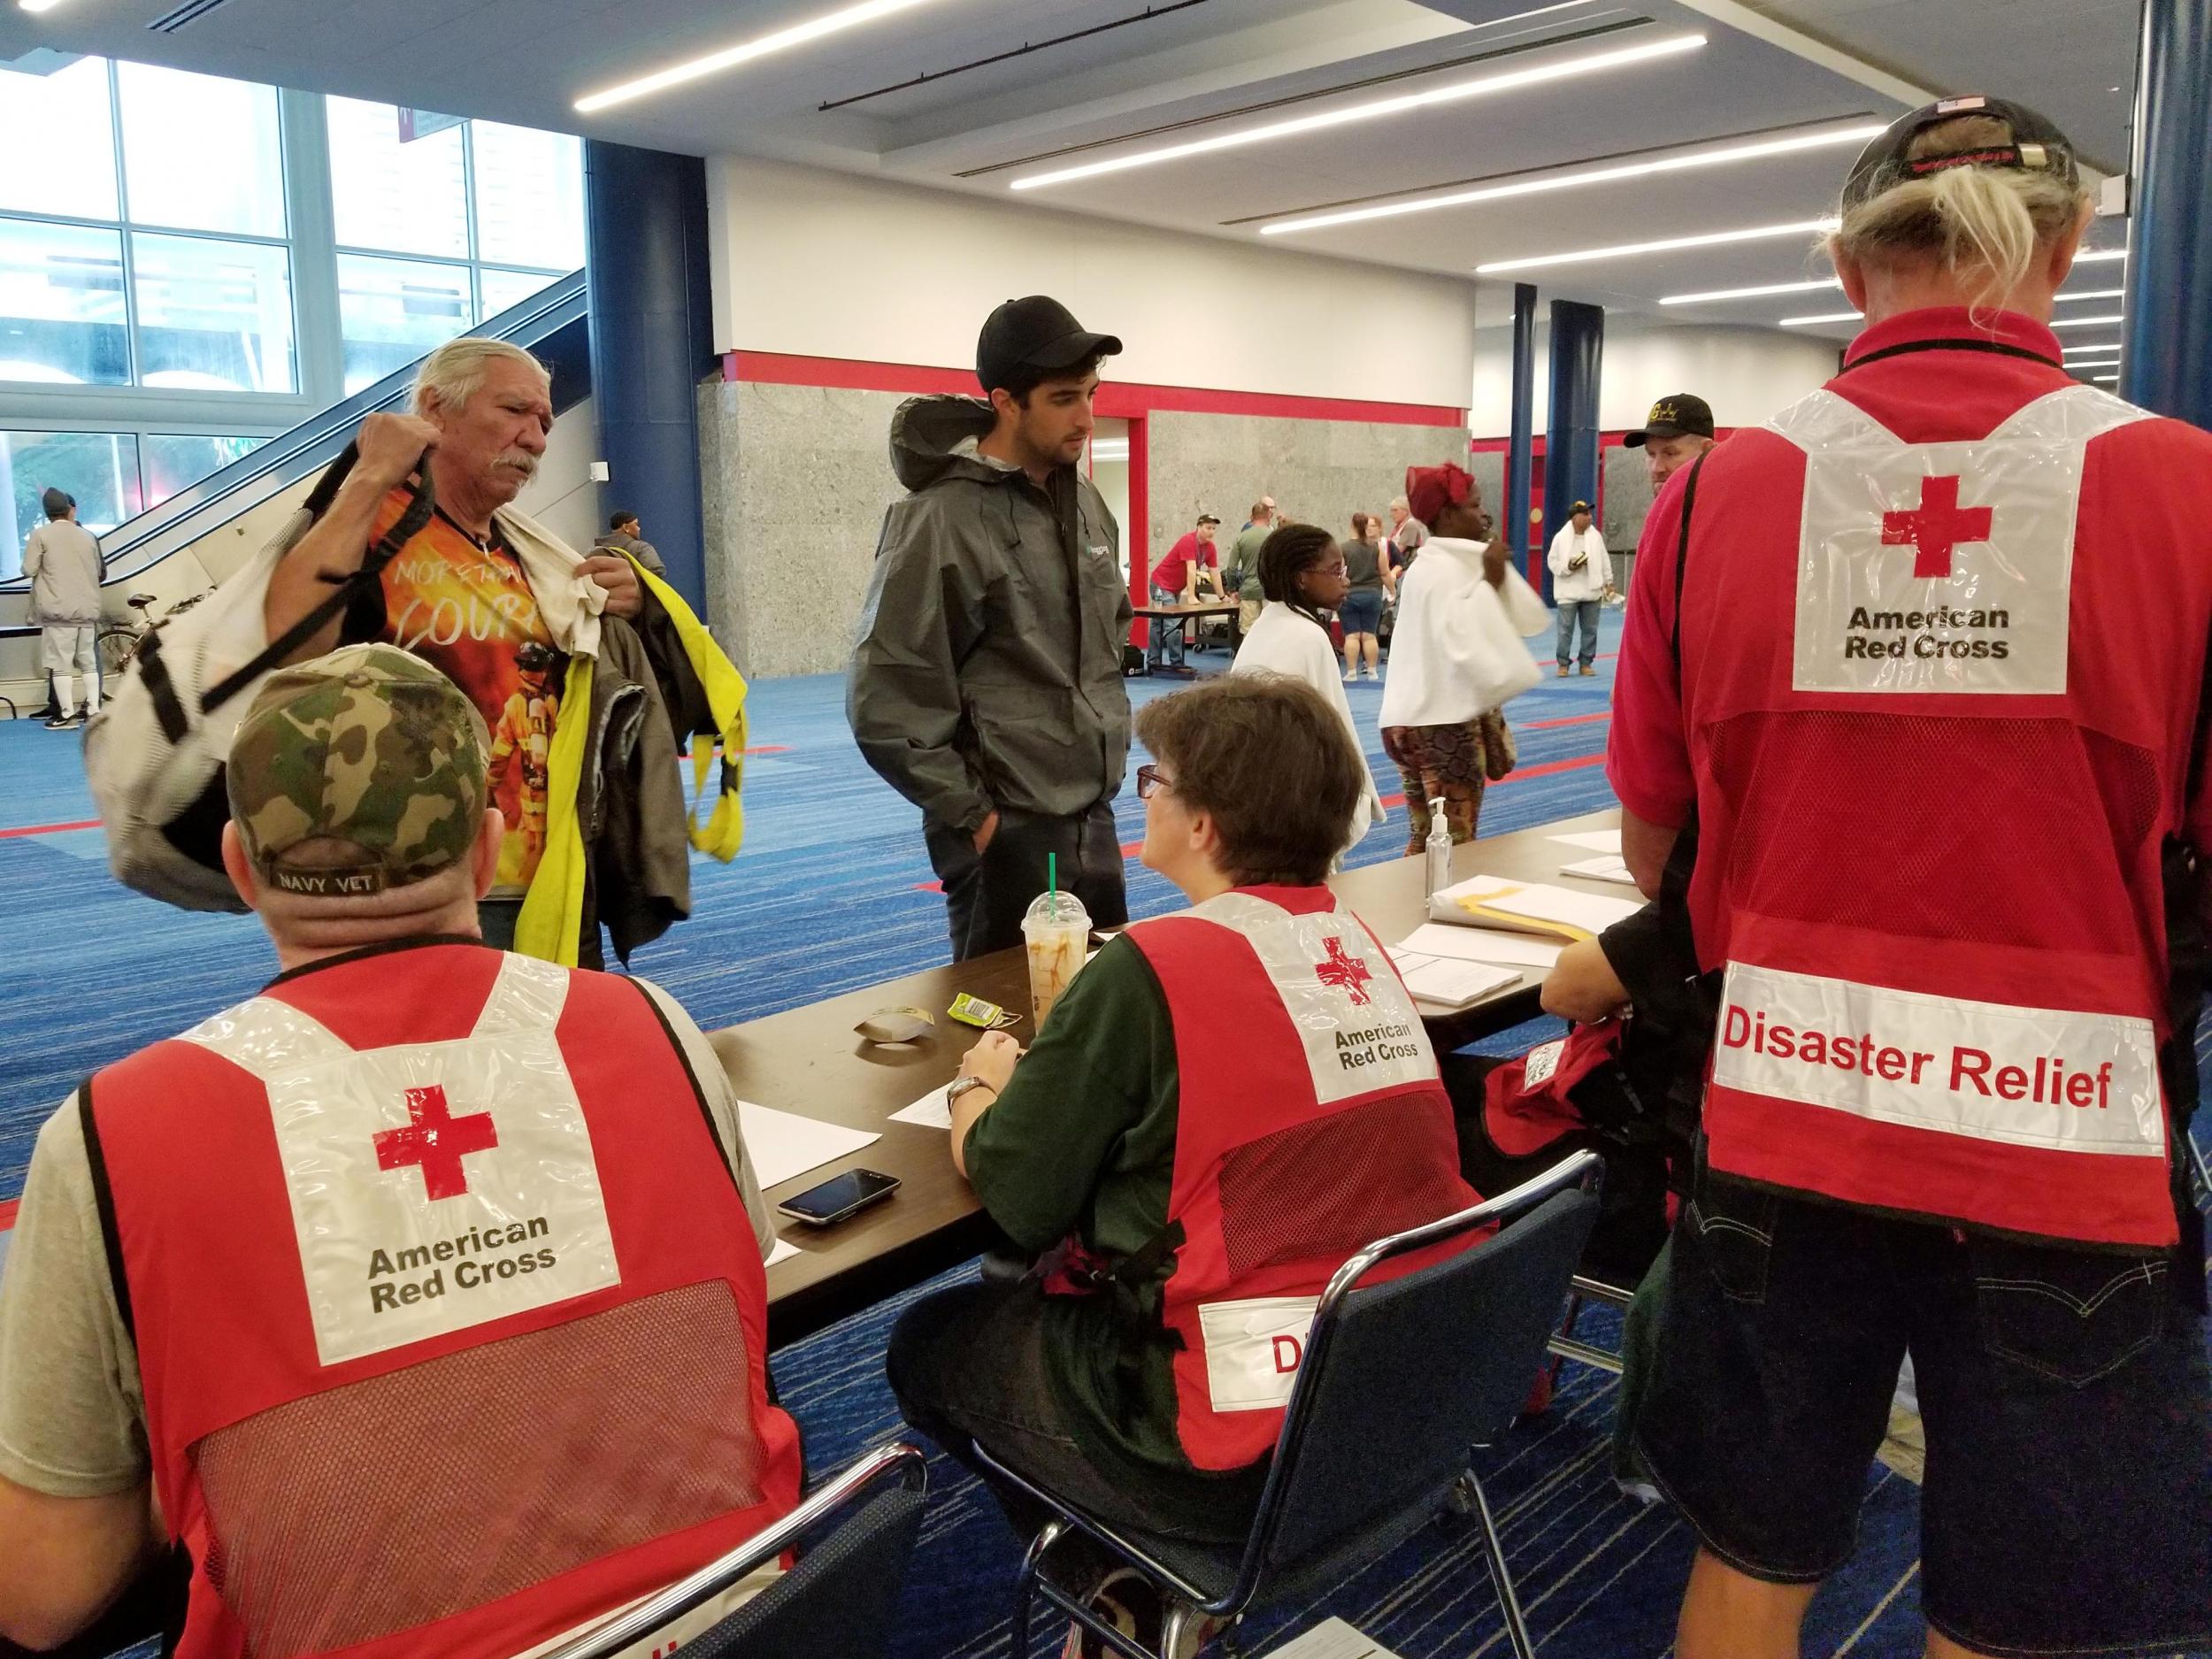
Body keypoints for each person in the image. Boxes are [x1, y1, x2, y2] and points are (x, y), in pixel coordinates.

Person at [1609, 98, 2212, 1659]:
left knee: (1754, 1551)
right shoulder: (2191, 493)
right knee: (2015, 1611)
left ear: (1847, 261)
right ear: (2068, 248)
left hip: (1777, 1110)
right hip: (2068, 1148)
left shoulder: (1705, 503)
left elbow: (1658, 846)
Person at [0, 643, 801, 1658]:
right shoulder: (656, 1028)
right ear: (488, 849)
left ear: (243, 870)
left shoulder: (111, 1133)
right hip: (726, 1628)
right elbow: (729, 1337)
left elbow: (39, 1592)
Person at [885, 673, 1475, 1655]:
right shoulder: (1351, 944)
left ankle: (1119, 1583)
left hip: (1228, 1437)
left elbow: (1019, 1192)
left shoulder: (1149, 968)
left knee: (933, 1342)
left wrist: (978, 1087)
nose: (1139, 795)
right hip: (1392, 1386)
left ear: (1202, 826)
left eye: (1153, 780)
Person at [249, 336, 745, 966]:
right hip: (412, 881)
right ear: (435, 408)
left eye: (543, 421)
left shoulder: (529, 554)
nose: (537, 438)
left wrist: (635, 609)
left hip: (548, 871)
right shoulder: (371, 528)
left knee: (547, 1052)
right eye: (515, 411)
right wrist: (371, 474)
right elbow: (290, 643)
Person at [849, 295, 1133, 962]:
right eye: (1065, 398)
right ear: (1006, 402)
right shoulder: (940, 518)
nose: (1088, 418)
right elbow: (886, 693)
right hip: (1006, 827)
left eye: (1091, 394)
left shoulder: (1085, 504)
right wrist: (977, 820)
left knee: (1101, 1011)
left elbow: (1109, 632)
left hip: (1092, 816)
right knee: (1004, 1029)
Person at [1378, 465, 1548, 852]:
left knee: (1425, 839)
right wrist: (1490, 581)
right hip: (1443, 728)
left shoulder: (1430, 566)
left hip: (1408, 721)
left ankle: (1410, 904)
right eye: (1475, 505)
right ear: (1449, 514)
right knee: (1454, 844)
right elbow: (1463, 641)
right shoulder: (1442, 571)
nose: (1483, 514)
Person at [1231, 522, 1386, 852]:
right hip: (1294, 802)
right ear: (1301, 578)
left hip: (1251, 797)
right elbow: (1335, 729)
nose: (1345, 580)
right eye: (1334, 571)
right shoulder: (1308, 635)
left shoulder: (1265, 625)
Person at [21, 487, 104, 730]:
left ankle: (65, 715)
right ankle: (95, 710)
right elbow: (98, 570)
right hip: (87, 610)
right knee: (88, 662)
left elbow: (28, 569)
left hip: (58, 611)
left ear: (47, 512)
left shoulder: (41, 535)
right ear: (69, 510)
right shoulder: (87, 536)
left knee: (60, 665)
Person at [1146, 512, 1221, 675]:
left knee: (1158, 623)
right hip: (1161, 584)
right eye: (1208, 528)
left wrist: (1223, 596)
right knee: (1172, 624)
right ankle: (1176, 663)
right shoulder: (1188, 541)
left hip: (1174, 588)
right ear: (1199, 527)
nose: (1211, 532)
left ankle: (1153, 662)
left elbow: (1214, 572)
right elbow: (1191, 569)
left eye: (1214, 529)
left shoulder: (1210, 548)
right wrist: (1192, 596)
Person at [1547, 499, 1609, 677]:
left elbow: (1604, 560)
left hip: (1592, 591)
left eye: (1590, 513)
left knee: (1590, 630)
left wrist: (1608, 580)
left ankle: (1586, 663)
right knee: (1565, 630)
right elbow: (1553, 562)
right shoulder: (1560, 538)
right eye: (1586, 514)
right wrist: (1568, 567)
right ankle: (1563, 664)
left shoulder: (1595, 536)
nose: (1590, 517)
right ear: (1575, 517)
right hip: (1568, 592)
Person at [1337, 511, 1391, 681]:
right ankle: (1372, 671)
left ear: (1352, 525)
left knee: (1352, 635)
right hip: (1372, 594)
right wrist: (1392, 590)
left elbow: (1339, 573)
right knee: (1369, 635)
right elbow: (1385, 573)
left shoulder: (1343, 548)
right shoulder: (1376, 548)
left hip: (1350, 595)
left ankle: (1352, 672)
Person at [1623, 393, 1716, 490]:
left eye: (1670, 453)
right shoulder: (1658, 505)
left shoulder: (1726, 503)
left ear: (1706, 450)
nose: (1656, 468)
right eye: (1651, 454)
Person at [1223, 497, 1275, 635]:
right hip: (1269, 591)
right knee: (1271, 631)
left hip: (1248, 590)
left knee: (1249, 632)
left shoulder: (1241, 538)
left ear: (1251, 517)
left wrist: (1233, 589)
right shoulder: (1274, 537)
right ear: (1268, 516)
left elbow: (1231, 568)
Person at [592, 507, 667, 575]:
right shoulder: (641, 548)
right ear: (626, 527)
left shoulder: (597, 551)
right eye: (636, 524)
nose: (639, 529)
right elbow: (657, 570)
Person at [1386, 493, 1427, 576]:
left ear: (1405, 511)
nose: (1392, 514)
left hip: (1407, 571)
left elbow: (1398, 550)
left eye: (1395, 510)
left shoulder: (1410, 525)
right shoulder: (1398, 527)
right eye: (1391, 511)